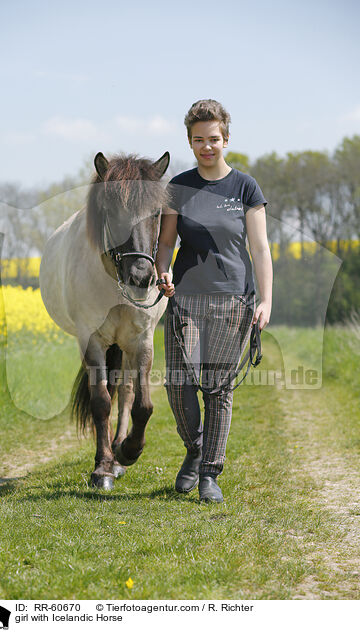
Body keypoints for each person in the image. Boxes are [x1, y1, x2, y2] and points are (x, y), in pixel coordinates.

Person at [155, 99, 273, 503]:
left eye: (214, 139)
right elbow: (166, 241)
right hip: (185, 300)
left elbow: (260, 248)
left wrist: (266, 301)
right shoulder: (179, 187)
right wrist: (163, 269)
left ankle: (209, 473)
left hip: (233, 299)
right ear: (189, 142)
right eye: (198, 140)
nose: (207, 146)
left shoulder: (245, 187)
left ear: (227, 138)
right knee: (178, 383)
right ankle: (195, 448)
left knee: (218, 389)